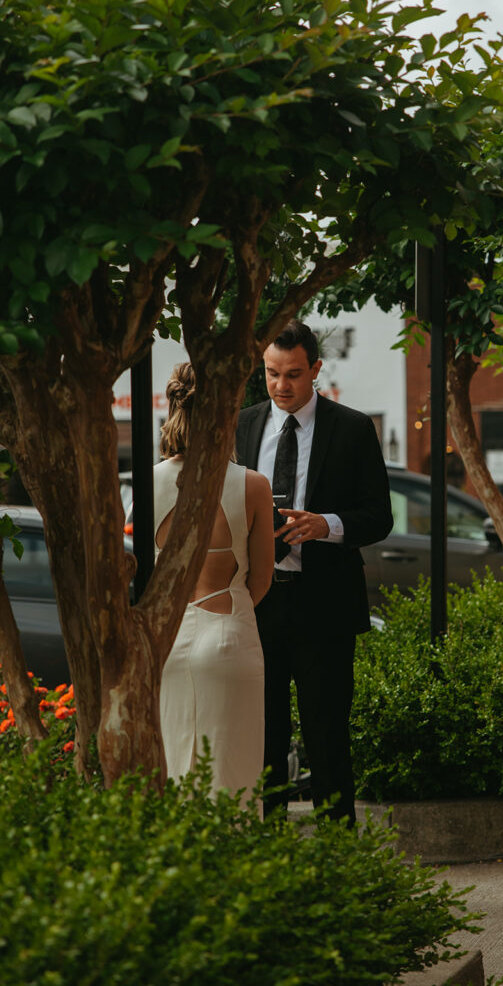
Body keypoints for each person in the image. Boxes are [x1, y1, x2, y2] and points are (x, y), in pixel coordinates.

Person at [236, 320, 393, 825]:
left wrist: (326, 524)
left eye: (294, 374)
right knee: (263, 734)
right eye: (272, 374)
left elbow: (379, 516)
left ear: (316, 370)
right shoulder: (243, 425)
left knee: (327, 734)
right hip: (257, 603)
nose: (282, 386)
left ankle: (340, 853)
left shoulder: (351, 428)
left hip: (324, 605)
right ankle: (269, 844)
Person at [154, 363, 274, 810]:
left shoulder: (146, 485)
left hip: (166, 642)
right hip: (229, 632)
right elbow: (261, 579)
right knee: (233, 779)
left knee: (175, 776)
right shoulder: (252, 486)